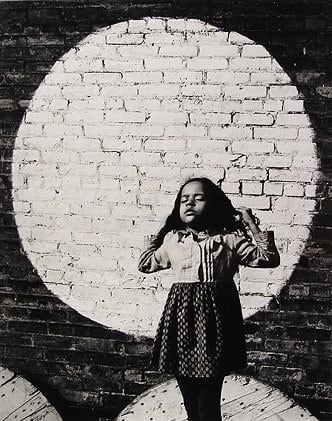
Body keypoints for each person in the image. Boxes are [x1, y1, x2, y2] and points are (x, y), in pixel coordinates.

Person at [138, 177, 280, 421]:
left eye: (199, 198)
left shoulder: (229, 241)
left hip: (216, 328)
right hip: (181, 326)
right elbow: (145, 264)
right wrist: (162, 228)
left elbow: (269, 258)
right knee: (192, 406)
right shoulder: (173, 240)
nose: (190, 203)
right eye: (184, 200)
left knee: (208, 407)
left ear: (214, 206)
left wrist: (250, 223)